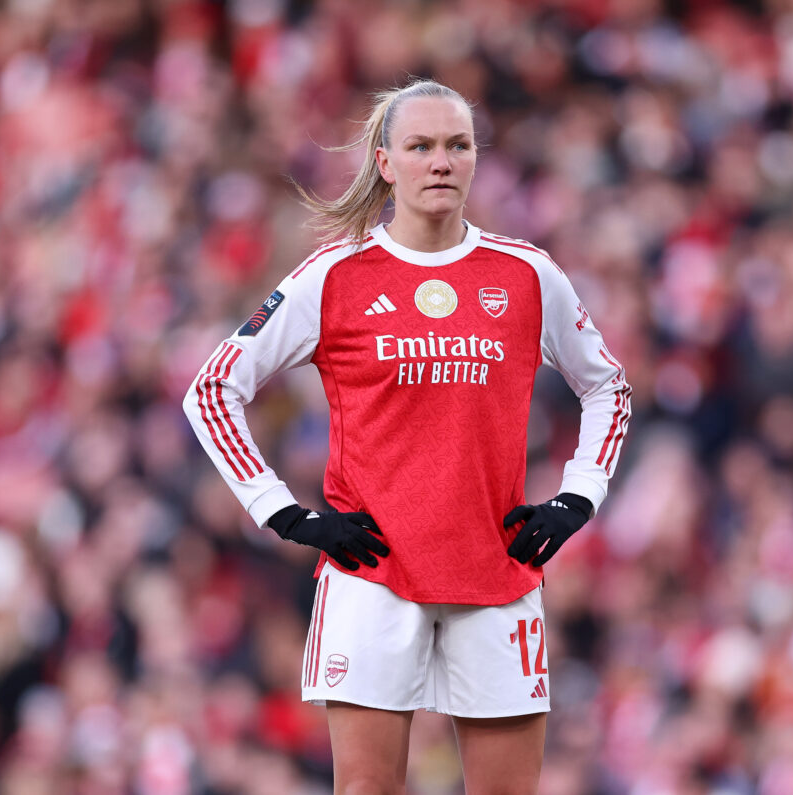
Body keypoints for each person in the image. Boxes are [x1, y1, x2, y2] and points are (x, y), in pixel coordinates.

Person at [183, 79, 631, 794]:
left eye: (458, 145)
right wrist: (284, 512)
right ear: (385, 162)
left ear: (477, 158)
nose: (441, 161)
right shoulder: (334, 276)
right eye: (420, 146)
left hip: (497, 570)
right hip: (374, 577)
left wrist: (578, 497)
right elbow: (211, 389)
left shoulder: (527, 275)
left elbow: (608, 386)